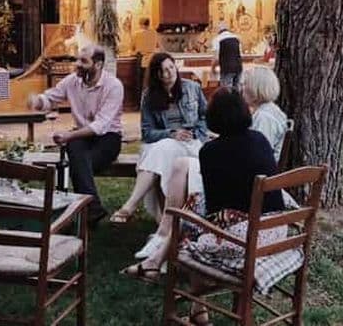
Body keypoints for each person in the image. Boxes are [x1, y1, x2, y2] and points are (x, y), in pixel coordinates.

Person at [121, 88, 284, 322]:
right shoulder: (260, 140)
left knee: (188, 227)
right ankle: (158, 268)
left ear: (214, 117)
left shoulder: (211, 152)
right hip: (277, 230)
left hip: (248, 238)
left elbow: (214, 212)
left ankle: (195, 304)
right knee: (191, 213)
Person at [130, 66, 289, 262]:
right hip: (273, 222)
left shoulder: (262, 120)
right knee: (184, 182)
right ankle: (159, 250)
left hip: (252, 228)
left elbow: (215, 210)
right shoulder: (258, 136)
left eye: (245, 85)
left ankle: (163, 248)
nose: (243, 88)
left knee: (186, 193)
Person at [110, 52, 208, 231]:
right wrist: (171, 133)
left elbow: (205, 116)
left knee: (157, 152)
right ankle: (164, 224)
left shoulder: (192, 88)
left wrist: (198, 134)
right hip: (166, 143)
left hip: (191, 143)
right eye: (163, 71)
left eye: (171, 67)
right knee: (163, 148)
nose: (169, 73)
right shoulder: (149, 96)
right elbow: (147, 133)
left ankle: (132, 206)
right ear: (156, 75)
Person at [27, 45, 124, 227]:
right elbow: (51, 98)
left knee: (77, 158)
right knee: (76, 150)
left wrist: (69, 136)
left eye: (84, 61)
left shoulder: (114, 86)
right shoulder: (72, 81)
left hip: (108, 139)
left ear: (98, 64)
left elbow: (100, 126)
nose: (77, 64)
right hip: (83, 137)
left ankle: (85, 209)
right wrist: (37, 101)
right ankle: (92, 209)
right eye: (77, 60)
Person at [242, 66, 289, 163]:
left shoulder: (264, 117)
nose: (242, 88)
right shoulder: (270, 109)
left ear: (255, 88)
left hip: (262, 174)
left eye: (245, 84)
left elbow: (258, 153)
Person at [210, 22, 242, 89]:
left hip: (226, 68)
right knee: (237, 90)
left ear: (218, 30)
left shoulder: (217, 39)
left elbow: (216, 58)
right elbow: (241, 55)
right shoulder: (236, 38)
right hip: (238, 68)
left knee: (226, 90)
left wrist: (212, 69)